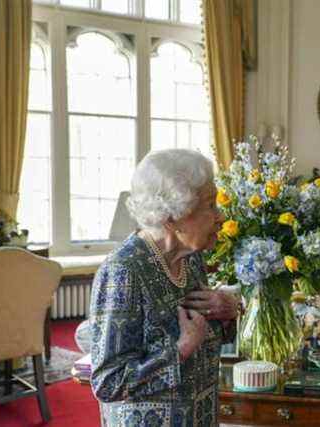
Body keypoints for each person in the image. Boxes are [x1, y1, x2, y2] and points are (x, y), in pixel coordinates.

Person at [89, 149, 240, 426]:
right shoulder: (124, 271)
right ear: (172, 217)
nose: (219, 216)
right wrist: (180, 349)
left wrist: (229, 312)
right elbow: (108, 384)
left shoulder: (191, 258)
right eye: (210, 206)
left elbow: (205, 336)